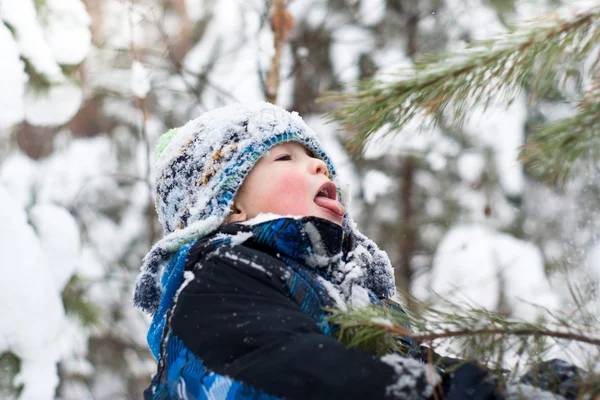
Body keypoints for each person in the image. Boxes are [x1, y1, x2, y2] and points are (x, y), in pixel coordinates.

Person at [134, 102, 587, 400]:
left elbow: (409, 366)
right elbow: (295, 370)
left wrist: (517, 386)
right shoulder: (219, 280)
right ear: (228, 205)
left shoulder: (347, 290)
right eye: (284, 158)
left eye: (317, 158)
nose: (317, 163)